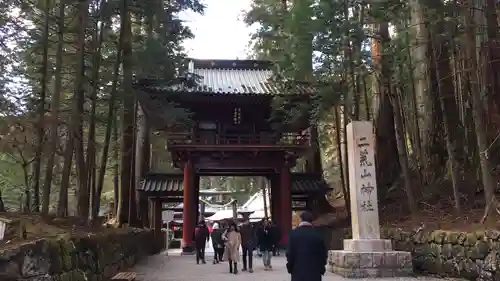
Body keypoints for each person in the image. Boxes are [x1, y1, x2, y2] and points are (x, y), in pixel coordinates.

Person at [286, 211, 327, 281]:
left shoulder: (293, 234)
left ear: (301, 219)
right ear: (311, 221)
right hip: (314, 272)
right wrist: (321, 268)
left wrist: (290, 268)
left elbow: (290, 254)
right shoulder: (318, 234)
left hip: (298, 271)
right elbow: (323, 254)